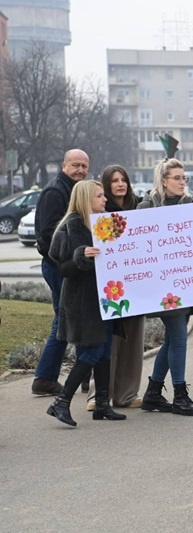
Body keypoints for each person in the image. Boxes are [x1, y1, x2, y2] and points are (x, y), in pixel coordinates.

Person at [46, 180, 126, 427]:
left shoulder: (104, 224)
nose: (105, 199)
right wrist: (81, 256)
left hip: (105, 297)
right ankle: (61, 402)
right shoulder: (71, 227)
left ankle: (102, 404)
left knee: (103, 351)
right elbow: (63, 268)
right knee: (92, 350)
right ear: (85, 199)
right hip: (83, 301)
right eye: (100, 196)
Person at [138, 159, 193, 416]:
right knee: (178, 338)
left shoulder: (192, 206)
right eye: (176, 177)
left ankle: (153, 392)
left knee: (173, 339)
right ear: (163, 180)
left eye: (183, 177)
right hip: (161, 287)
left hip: (185, 284)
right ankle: (179, 395)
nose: (182, 181)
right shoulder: (146, 206)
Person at [85, 165, 145, 411]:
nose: (120, 184)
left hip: (139, 284)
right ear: (106, 185)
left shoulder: (140, 209)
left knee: (133, 341)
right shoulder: (100, 213)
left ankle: (126, 395)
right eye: (115, 180)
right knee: (109, 341)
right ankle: (97, 395)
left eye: (124, 180)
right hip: (111, 288)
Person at [31, 149, 89, 396]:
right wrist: (69, 259)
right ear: (64, 165)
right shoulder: (55, 192)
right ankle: (45, 378)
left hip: (70, 266)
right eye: (75, 165)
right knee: (64, 320)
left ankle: (82, 374)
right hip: (58, 267)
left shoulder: (76, 189)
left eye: (84, 166)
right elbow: (47, 234)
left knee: (72, 318)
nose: (80, 170)